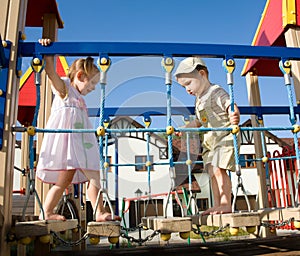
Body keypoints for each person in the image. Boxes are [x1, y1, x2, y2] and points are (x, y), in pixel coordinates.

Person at [36, 38, 121, 222]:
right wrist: (50, 52)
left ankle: (99, 211)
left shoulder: (79, 99)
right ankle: (48, 211)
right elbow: (50, 73)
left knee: (94, 175)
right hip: (68, 143)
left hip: (81, 142)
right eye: (91, 84)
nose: (92, 89)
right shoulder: (65, 89)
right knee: (65, 180)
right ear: (81, 76)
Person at [174, 57, 240, 215]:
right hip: (210, 141)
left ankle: (225, 203)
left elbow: (228, 103)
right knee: (211, 171)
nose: (187, 90)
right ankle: (217, 204)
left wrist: (234, 113)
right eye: (184, 87)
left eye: (188, 84)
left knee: (219, 169)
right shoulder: (198, 100)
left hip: (224, 135)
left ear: (202, 74)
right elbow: (199, 121)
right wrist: (184, 129)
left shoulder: (215, 91)